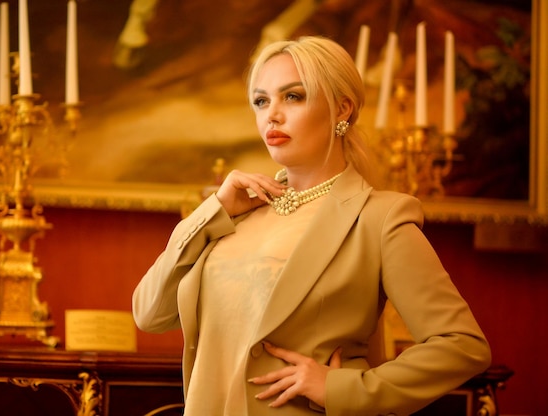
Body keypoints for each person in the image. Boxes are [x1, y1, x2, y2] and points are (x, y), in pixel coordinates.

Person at [132, 36, 491, 415]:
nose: (272, 114)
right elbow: (150, 313)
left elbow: (461, 345)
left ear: (342, 109)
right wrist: (213, 210)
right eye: (261, 101)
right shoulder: (235, 214)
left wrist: (343, 387)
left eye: (293, 96)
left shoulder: (380, 217)